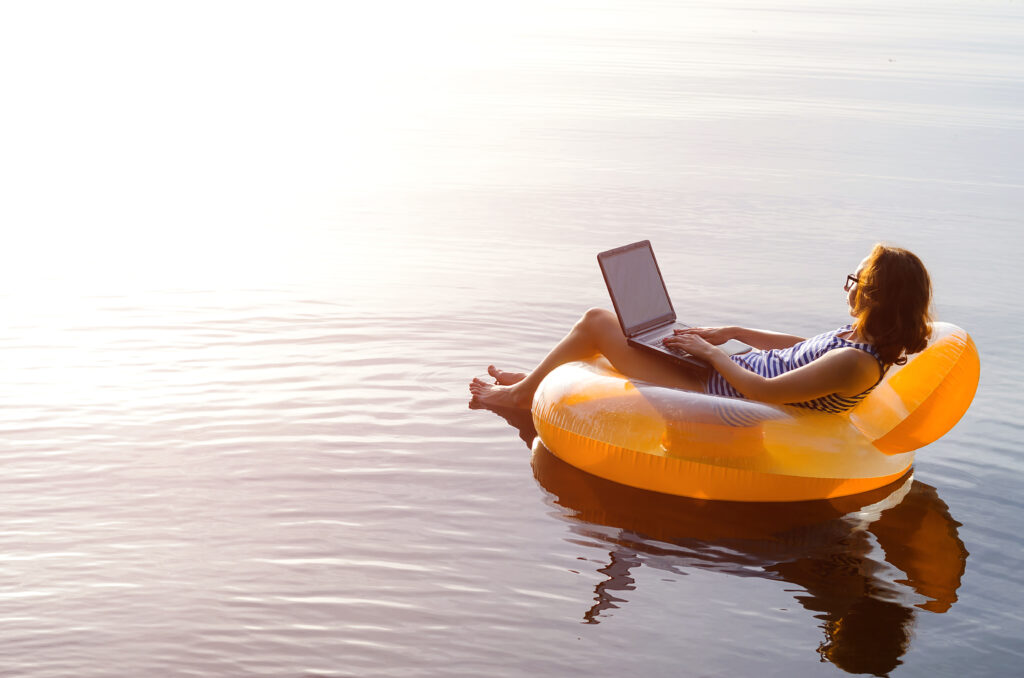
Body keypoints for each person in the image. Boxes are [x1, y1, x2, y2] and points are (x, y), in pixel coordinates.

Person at [469, 243, 932, 413]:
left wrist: (711, 355)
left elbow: (766, 394)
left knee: (597, 322)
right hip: (721, 368)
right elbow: (801, 348)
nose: (847, 288)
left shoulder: (856, 364)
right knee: (633, 330)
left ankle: (520, 394)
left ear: (874, 296)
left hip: (713, 388)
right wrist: (732, 331)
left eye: (855, 282)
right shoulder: (859, 341)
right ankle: (533, 379)